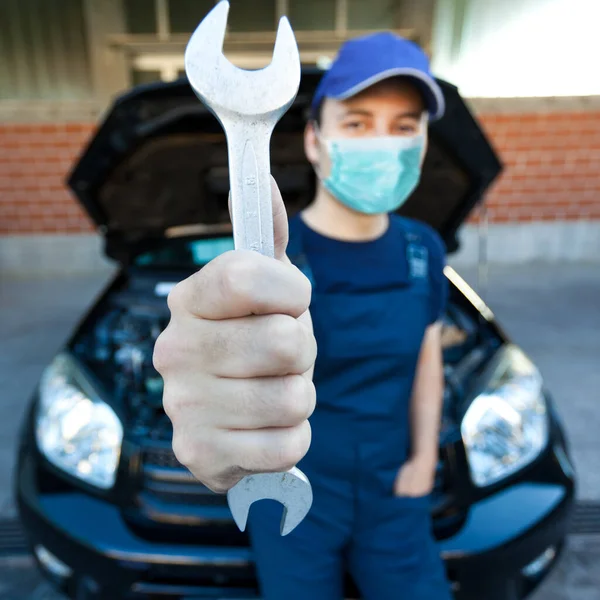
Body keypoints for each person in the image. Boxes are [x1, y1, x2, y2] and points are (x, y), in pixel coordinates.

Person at [154, 32, 452, 600]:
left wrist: (423, 460)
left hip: (395, 486)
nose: (383, 142)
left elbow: (427, 358)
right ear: (315, 141)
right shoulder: (265, 261)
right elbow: (222, 360)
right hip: (291, 478)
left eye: (405, 125)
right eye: (359, 123)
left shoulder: (424, 249)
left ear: (423, 142)